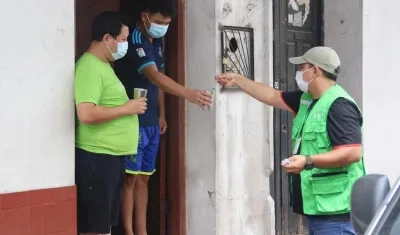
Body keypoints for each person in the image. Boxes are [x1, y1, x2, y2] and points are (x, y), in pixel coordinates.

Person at [216, 46, 365, 235]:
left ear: (315, 70)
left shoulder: (339, 105)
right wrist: (237, 79)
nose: (299, 73)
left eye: (302, 68)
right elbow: (271, 95)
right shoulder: (308, 100)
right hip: (320, 208)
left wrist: (307, 161)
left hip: (337, 213)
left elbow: (352, 152)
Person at [113, 1, 212, 234]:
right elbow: (154, 76)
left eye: (167, 24)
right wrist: (188, 93)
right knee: (129, 180)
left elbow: (157, 81)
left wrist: (162, 114)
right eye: (159, 22)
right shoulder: (135, 39)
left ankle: (142, 230)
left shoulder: (156, 40)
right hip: (132, 120)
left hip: (151, 121)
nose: (163, 27)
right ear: (145, 16)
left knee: (144, 179)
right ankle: (128, 231)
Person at [74, 11, 147, 235]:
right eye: (123, 39)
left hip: (109, 160)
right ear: (107, 38)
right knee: (96, 229)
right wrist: (128, 108)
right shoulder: (90, 67)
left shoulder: (105, 66)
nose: (125, 45)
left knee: (104, 227)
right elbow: (86, 113)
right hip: (97, 159)